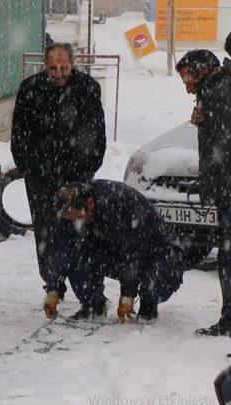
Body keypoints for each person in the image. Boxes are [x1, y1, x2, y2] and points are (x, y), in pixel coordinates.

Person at [11, 42, 106, 303]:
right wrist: (27, 165)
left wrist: (85, 172)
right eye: (53, 68)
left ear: (73, 64)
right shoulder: (30, 89)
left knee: (79, 232)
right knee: (45, 231)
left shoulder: (87, 89)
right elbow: (19, 133)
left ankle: (87, 288)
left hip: (77, 175)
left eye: (64, 67)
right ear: (45, 65)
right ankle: (53, 283)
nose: (59, 73)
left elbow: (97, 134)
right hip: (41, 176)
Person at [45, 180, 183, 322]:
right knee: (78, 258)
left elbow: (135, 252)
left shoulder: (119, 203)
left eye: (79, 218)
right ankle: (93, 305)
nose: (75, 224)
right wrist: (52, 289)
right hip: (120, 251)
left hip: (160, 254)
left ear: (90, 203)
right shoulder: (69, 211)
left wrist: (127, 296)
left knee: (151, 282)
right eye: (71, 220)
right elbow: (61, 249)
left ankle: (148, 308)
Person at [176, 48, 231, 336]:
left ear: (204, 71)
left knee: (228, 256)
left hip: (228, 191)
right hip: (224, 190)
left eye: (189, 79)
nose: (187, 88)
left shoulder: (219, 95)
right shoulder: (214, 93)